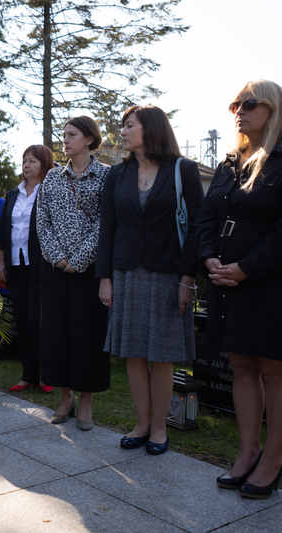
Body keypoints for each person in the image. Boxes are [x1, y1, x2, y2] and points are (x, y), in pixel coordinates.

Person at [98, 106, 203, 454]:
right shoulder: (117, 174)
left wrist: (188, 277)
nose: (122, 132)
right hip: (126, 274)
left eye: (129, 125)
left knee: (161, 354)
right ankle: (141, 424)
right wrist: (105, 278)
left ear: (151, 128)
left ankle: (159, 428)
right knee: (133, 352)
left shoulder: (183, 170)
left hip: (168, 274)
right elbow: (108, 229)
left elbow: (197, 228)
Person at [196, 80, 282, 499]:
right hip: (226, 280)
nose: (239, 111)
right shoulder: (230, 162)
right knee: (241, 365)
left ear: (273, 109)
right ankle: (249, 452)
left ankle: (274, 459)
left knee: (274, 371)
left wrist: (247, 268)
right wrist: (208, 256)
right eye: (235, 104)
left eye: (248, 104)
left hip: (268, 281)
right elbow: (206, 218)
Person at [36, 116, 110, 431]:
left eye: (72, 134)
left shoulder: (107, 175)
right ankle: (65, 397)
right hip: (55, 269)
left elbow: (106, 223)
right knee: (56, 334)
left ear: (89, 139)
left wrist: (79, 259)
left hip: (89, 270)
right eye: (63, 134)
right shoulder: (53, 177)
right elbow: (42, 220)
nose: (64, 140)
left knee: (87, 336)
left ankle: (87, 402)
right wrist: (57, 257)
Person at [0, 145, 55, 393]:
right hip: (15, 264)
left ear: (44, 163)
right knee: (21, 319)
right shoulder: (13, 193)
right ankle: (28, 374)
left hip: (41, 265)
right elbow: (3, 231)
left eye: (32, 161)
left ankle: (47, 374)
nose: (26, 165)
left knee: (37, 319)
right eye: (24, 161)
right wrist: (1, 262)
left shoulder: (51, 191)